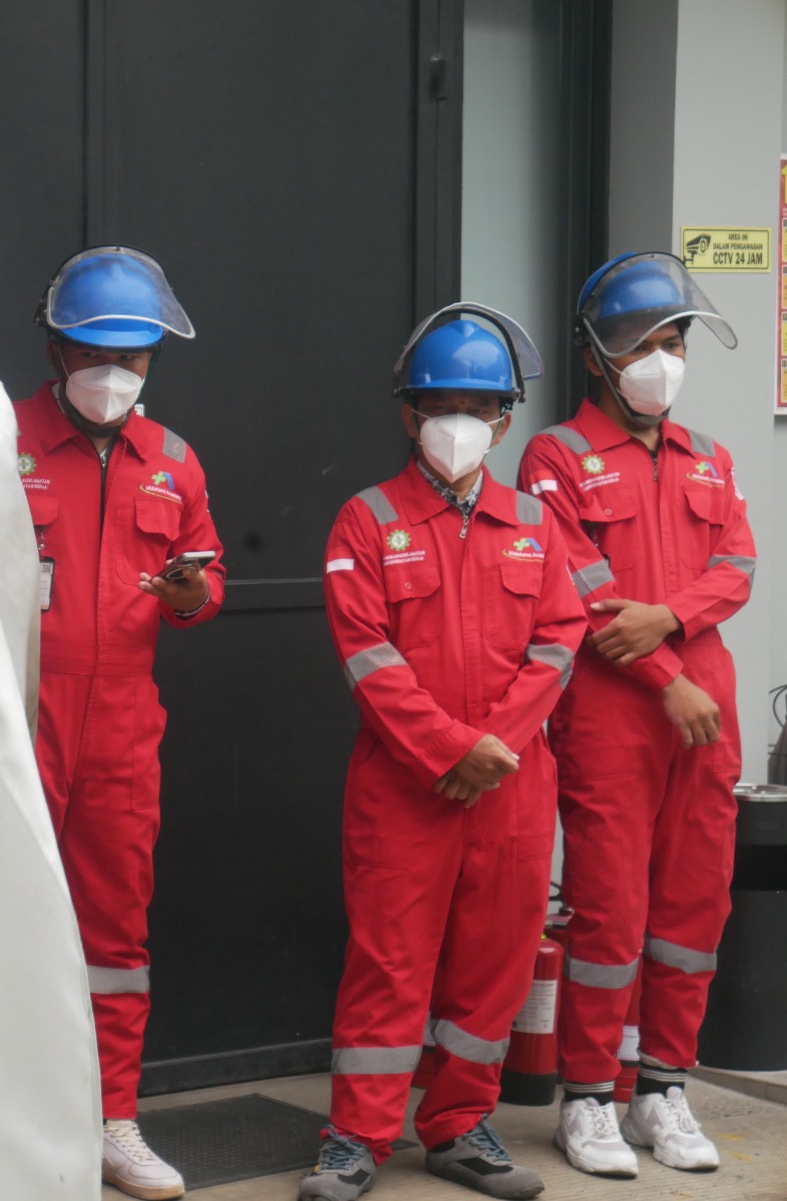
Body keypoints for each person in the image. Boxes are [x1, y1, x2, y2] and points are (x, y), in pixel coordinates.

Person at [302, 307, 585, 1201]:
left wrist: (494, 747)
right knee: (389, 960)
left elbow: (560, 639)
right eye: (440, 405)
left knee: (494, 963)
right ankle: (355, 1137)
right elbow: (366, 654)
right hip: (405, 787)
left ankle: (460, 1123)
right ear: (408, 413)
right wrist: (451, 750)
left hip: (512, 786)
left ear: (504, 421)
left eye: (479, 406)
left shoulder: (535, 522)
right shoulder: (366, 519)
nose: (458, 422)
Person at [518, 252, 752, 1178]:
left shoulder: (710, 457)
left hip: (707, 718)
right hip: (616, 715)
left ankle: (662, 1087)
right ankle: (587, 1098)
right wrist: (668, 673)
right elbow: (584, 592)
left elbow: (737, 566)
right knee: (611, 910)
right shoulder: (554, 456)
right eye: (641, 343)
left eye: (675, 342)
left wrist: (672, 619)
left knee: (694, 905)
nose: (662, 360)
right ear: (594, 356)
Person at [14, 246, 222, 1200]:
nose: (114, 373)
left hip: (124, 727)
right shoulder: (1, 439)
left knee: (115, 934)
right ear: (58, 350)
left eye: (132, 357)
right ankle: (6, 1123)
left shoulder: (173, 459)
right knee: (1, 920)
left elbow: (206, 573)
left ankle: (111, 1120)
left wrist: (189, 593)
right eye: (97, 353)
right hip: (18, 714)